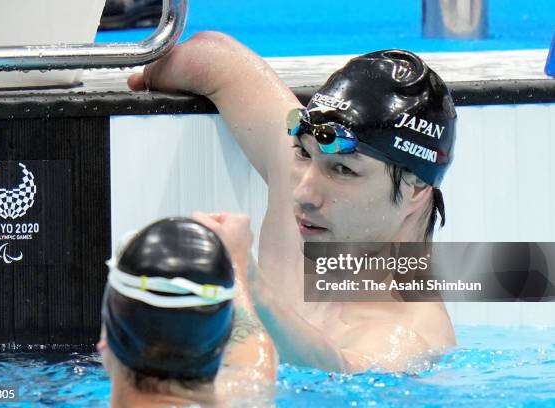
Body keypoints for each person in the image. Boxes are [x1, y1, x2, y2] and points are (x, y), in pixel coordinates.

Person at [127, 32, 457, 372]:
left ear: (416, 188)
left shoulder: (412, 337)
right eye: (302, 153)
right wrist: (144, 76)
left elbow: (341, 368)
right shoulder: (314, 216)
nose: (302, 193)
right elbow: (217, 62)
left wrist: (249, 282)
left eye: (343, 170)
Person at [98, 214, 277, 407]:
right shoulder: (248, 396)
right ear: (224, 346)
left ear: (105, 342)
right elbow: (254, 359)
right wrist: (235, 263)